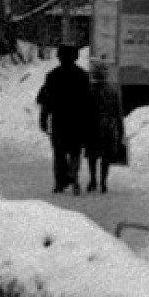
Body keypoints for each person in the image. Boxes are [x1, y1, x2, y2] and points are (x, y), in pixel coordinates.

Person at [36, 44, 92, 194]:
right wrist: (89, 120)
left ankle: (59, 182)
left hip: (59, 120)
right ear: (76, 57)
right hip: (77, 120)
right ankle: (74, 177)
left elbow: (46, 100)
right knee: (75, 151)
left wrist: (43, 118)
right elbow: (88, 101)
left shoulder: (52, 76)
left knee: (59, 152)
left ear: (59, 57)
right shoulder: (83, 76)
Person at [84, 61, 126, 193]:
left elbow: (84, 111)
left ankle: (92, 180)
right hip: (109, 126)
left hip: (92, 125)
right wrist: (120, 131)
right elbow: (118, 113)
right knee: (106, 156)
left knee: (92, 155)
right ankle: (103, 183)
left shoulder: (89, 91)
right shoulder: (113, 91)